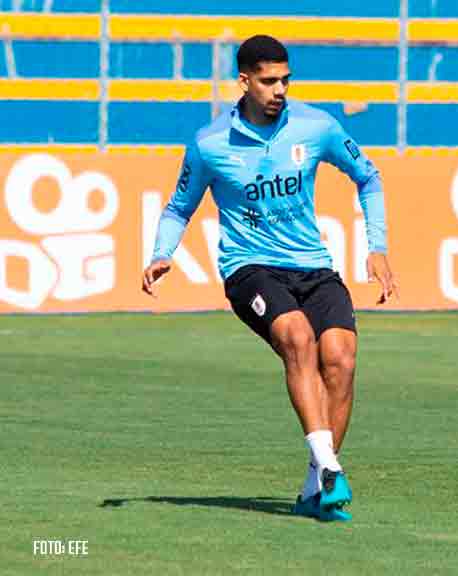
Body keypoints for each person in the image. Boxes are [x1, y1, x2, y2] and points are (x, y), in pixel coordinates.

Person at [142, 35, 397, 522]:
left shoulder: (316, 126)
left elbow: (369, 177)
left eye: (285, 79)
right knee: (298, 337)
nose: (279, 89)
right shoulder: (210, 143)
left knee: (340, 359)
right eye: (268, 80)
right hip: (249, 269)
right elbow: (179, 206)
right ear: (244, 81)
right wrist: (161, 253)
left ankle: (314, 487)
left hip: (313, 266)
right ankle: (328, 466)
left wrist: (377, 246)